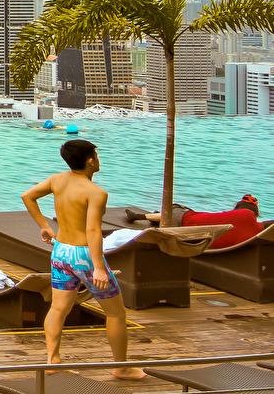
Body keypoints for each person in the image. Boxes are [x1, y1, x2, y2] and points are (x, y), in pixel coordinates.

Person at [22, 139, 140, 380]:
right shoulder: (96, 193)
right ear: (90, 160)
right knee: (116, 314)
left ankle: (52, 360)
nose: (98, 159)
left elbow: (28, 196)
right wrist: (98, 268)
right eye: (96, 155)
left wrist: (44, 226)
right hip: (84, 255)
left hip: (61, 251)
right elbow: (93, 231)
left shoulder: (57, 180)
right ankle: (122, 367)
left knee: (58, 308)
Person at [132, 196, 260, 249]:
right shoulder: (253, 236)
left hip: (183, 222)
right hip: (196, 242)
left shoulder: (245, 214)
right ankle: (155, 217)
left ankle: (143, 216)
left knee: (175, 212)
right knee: (177, 216)